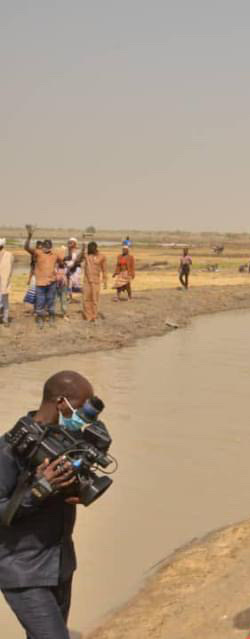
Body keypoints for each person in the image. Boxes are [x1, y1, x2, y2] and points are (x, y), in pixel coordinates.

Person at [0, 371, 100, 639]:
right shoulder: (9, 451)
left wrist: (77, 491)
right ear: (61, 402)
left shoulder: (66, 442)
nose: (82, 416)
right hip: (24, 569)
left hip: (60, 563)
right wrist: (40, 489)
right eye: (79, 408)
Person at [23, 228, 63, 327]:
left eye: (48, 246)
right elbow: (26, 248)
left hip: (52, 283)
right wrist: (29, 236)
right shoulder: (38, 253)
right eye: (45, 246)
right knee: (40, 302)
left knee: (51, 302)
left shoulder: (55, 254)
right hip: (40, 283)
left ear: (51, 247)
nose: (46, 248)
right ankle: (40, 319)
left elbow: (63, 262)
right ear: (43, 247)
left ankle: (51, 319)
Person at [82, 242, 107, 322]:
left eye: (91, 248)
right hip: (86, 281)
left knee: (95, 299)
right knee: (86, 299)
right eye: (89, 248)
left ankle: (94, 316)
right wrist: (83, 247)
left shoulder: (102, 257)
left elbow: (104, 270)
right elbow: (80, 256)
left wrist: (105, 281)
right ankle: (87, 316)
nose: (90, 250)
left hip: (96, 281)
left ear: (95, 248)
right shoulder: (86, 255)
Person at [0, 238, 11, 326]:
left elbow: (10, 269)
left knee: (5, 301)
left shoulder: (9, 255)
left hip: (5, 282)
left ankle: (5, 319)